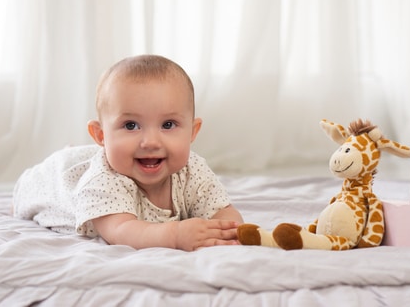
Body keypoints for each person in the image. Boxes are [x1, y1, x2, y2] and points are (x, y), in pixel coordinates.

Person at [13, 54, 244, 251]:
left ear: (192, 132)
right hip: (55, 178)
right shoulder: (104, 182)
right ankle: (61, 161)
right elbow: (122, 231)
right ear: (101, 135)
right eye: (131, 125)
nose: (151, 142)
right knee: (31, 187)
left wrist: (228, 232)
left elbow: (221, 211)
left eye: (168, 125)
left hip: (99, 157)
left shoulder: (192, 170)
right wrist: (176, 235)